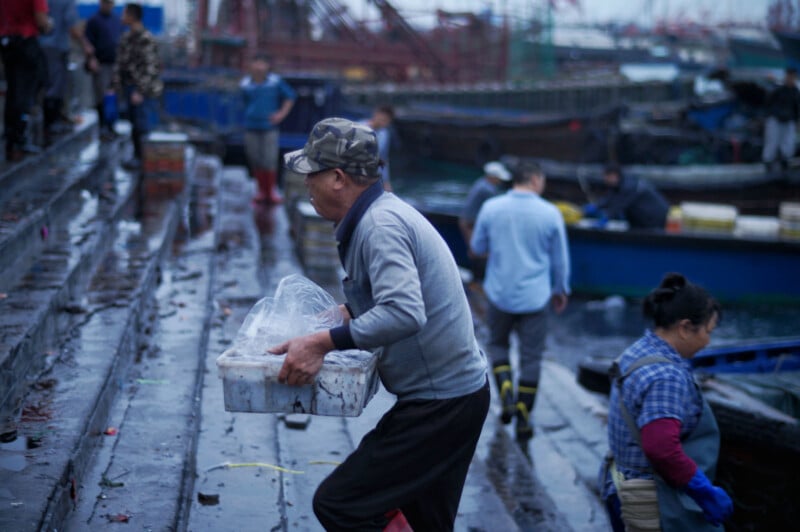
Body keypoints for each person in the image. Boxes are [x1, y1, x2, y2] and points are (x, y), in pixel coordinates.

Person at [270, 117, 489, 531]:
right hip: (454, 397)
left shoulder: (380, 226)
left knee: (340, 504)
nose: (305, 185)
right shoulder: (375, 216)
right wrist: (336, 318)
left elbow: (406, 312)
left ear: (337, 177)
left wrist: (322, 343)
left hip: (441, 405)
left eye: (310, 175)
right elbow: (386, 301)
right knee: (427, 522)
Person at [600, 272, 733, 532]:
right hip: (648, 501)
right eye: (708, 331)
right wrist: (703, 490)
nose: (708, 341)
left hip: (617, 482)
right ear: (684, 328)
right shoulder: (667, 376)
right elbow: (661, 448)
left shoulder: (639, 349)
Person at [469, 161, 570, 444]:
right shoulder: (550, 213)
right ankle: (525, 413)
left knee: (498, 345)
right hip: (535, 297)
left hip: (500, 293)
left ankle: (506, 394)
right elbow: (560, 260)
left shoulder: (492, 208)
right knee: (531, 356)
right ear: (536, 179)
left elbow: (477, 248)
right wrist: (561, 290)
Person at [112, 2, 162, 170]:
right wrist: (115, 85)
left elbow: (150, 67)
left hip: (141, 90)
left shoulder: (145, 39)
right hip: (129, 87)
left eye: (124, 14)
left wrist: (141, 91)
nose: (121, 17)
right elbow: (121, 64)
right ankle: (136, 157)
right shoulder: (127, 38)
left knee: (142, 124)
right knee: (134, 123)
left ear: (132, 16)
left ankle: (142, 159)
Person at [0, 0, 52, 162]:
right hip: (26, 41)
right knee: (28, 91)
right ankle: (19, 139)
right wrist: (49, 24)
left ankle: (11, 139)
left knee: (13, 90)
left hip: (7, 42)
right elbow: (41, 19)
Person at [240, 53, 296, 204]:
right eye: (256, 63)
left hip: (268, 127)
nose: (259, 67)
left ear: (267, 66)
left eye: (262, 63)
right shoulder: (245, 84)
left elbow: (290, 97)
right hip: (251, 127)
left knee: (269, 159)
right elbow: (244, 103)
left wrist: (280, 114)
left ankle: (270, 191)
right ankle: (260, 190)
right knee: (255, 158)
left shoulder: (275, 82)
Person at [39, 0, 94, 142]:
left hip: (39, 46)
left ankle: (50, 122)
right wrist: (85, 44)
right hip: (56, 47)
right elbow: (73, 27)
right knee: (55, 86)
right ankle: (51, 123)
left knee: (45, 85)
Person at [458, 160, 511, 280]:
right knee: (475, 252)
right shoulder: (487, 190)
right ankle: (477, 280)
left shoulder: (480, 183)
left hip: (469, 221)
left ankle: (476, 279)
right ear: (492, 177)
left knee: (475, 251)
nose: (500, 181)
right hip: (469, 224)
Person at [583, 164, 670, 230]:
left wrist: (605, 217)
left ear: (614, 175)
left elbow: (619, 205)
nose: (605, 180)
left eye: (607, 177)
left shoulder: (629, 187)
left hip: (654, 220)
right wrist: (596, 206)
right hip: (642, 221)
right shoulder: (620, 185)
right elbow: (610, 198)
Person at [84, 0, 125, 140]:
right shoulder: (93, 21)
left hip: (115, 63)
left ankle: (112, 126)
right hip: (101, 64)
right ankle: (102, 127)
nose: (107, 5)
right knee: (101, 96)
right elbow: (88, 42)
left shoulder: (117, 20)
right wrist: (91, 59)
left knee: (114, 97)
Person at [762, 67, 800, 173]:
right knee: (772, 142)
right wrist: (768, 116)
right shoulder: (778, 89)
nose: (791, 79)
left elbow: (796, 107)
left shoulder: (795, 91)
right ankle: (768, 163)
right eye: (789, 76)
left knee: (788, 142)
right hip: (775, 119)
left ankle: (785, 162)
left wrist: (797, 121)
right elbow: (768, 103)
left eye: (793, 77)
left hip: (789, 120)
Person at [363, 104, 395, 191]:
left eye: (387, 120)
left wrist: (386, 181)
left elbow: (383, 158)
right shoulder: (359, 128)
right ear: (376, 114)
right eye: (382, 118)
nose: (383, 122)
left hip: (372, 177)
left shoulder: (384, 134)